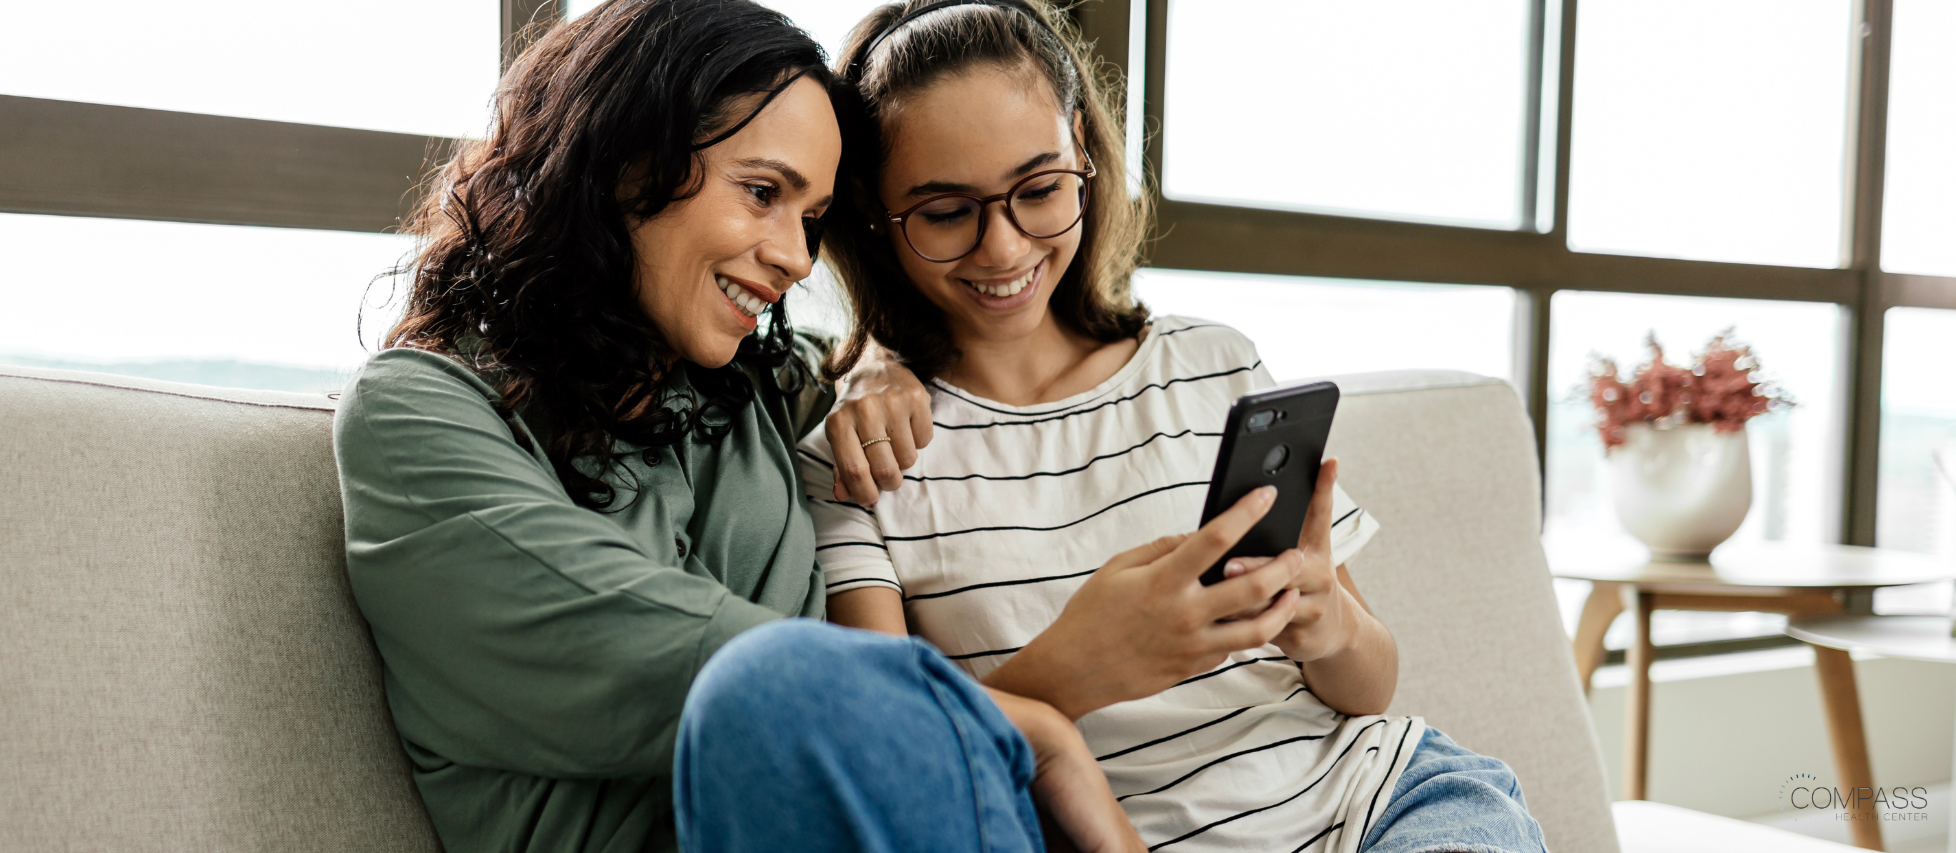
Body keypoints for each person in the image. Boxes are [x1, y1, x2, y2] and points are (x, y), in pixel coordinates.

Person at [334, 2, 1304, 851]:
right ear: (621, 162)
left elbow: (872, 382)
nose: (795, 258)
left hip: (920, 819)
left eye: (814, 217)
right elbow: (764, 688)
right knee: (779, 680)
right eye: (762, 193)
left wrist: (877, 359)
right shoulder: (418, 415)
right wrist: (1039, 714)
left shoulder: (762, 391)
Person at [796, 2, 1550, 852]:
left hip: (1389, 804)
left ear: (1082, 150)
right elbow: (895, 763)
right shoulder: (862, 460)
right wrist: (1076, 666)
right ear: (869, 206)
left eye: (1039, 190)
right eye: (945, 211)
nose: (1004, 248)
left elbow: (1368, 686)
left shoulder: (1213, 365)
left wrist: (1324, 619)